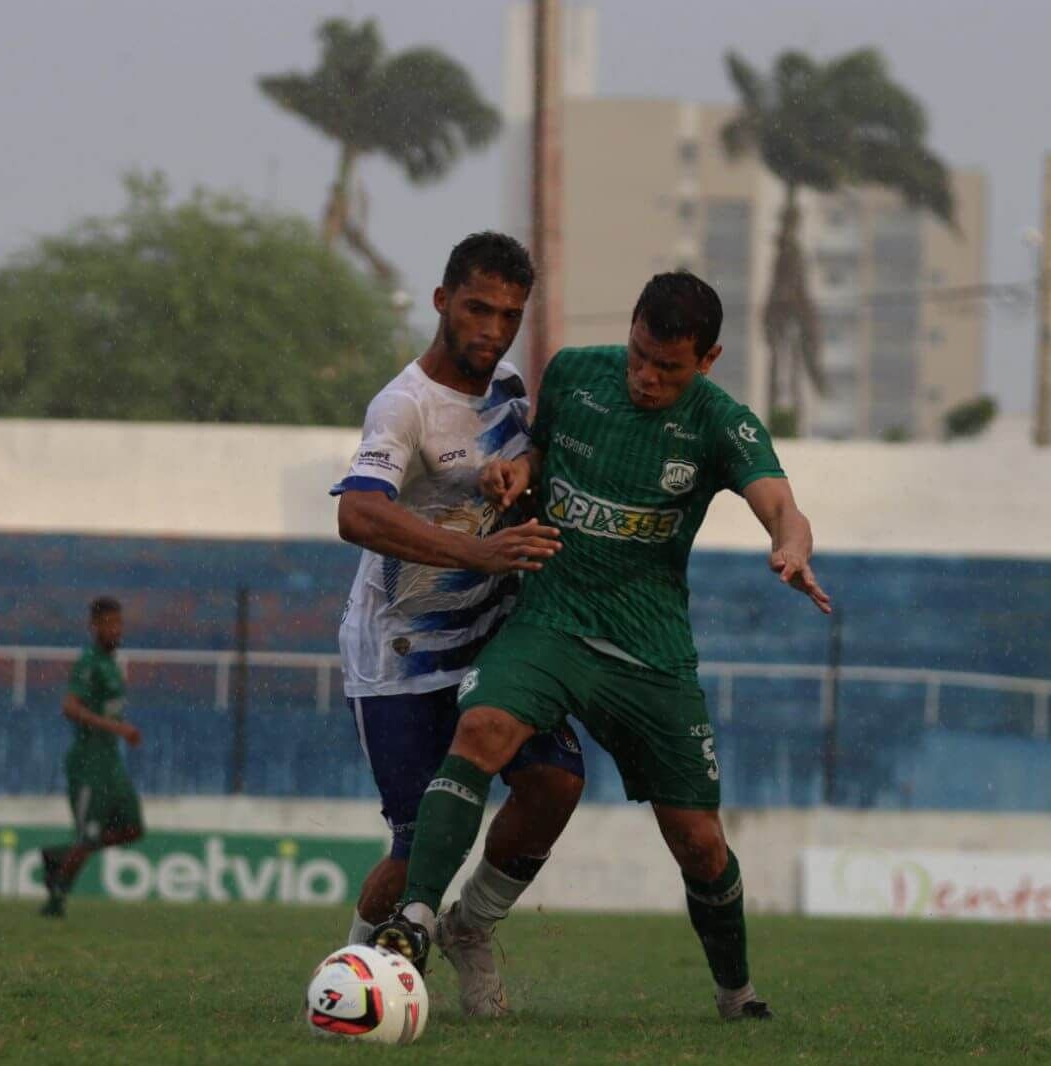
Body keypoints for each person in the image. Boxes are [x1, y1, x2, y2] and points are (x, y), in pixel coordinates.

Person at [370, 271, 831, 1022]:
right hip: (551, 620)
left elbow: (780, 502)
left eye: (668, 367)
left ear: (706, 360)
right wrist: (520, 471)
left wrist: (790, 546)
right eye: (639, 356)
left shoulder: (722, 423)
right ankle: (417, 922)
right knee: (483, 728)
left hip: (648, 647)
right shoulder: (576, 374)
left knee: (699, 845)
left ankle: (735, 991)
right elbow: (542, 455)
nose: (646, 378)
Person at [332, 231, 585, 1016]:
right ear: (442, 301)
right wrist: (478, 555)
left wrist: (520, 471)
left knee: (553, 783)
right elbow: (357, 513)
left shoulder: (508, 385)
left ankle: (468, 928)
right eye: (477, 308)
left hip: (487, 641)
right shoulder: (402, 405)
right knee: (415, 854)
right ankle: (350, 975)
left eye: (509, 315)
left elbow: (526, 459)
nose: (491, 329)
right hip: (400, 654)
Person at [39, 596, 145, 917]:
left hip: (111, 763)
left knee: (133, 829)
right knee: (88, 837)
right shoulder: (89, 662)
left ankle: (58, 856)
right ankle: (56, 900)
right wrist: (116, 727)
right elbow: (69, 707)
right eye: (109, 624)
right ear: (94, 626)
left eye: (119, 623)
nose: (116, 630)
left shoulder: (112, 664)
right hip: (88, 765)